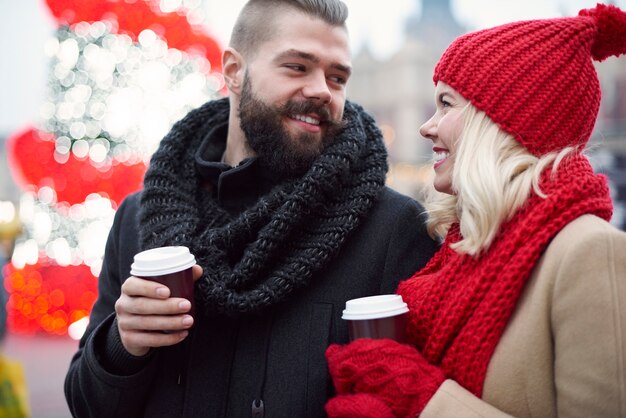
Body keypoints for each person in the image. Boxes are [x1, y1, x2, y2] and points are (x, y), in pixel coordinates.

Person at [63, 0, 439, 416]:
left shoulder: (391, 229)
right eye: (297, 67)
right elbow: (87, 406)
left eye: (337, 77)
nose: (321, 90)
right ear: (233, 71)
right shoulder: (138, 220)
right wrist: (122, 344)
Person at [324, 4, 626, 418]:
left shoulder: (590, 252)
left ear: (504, 119)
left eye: (447, 104)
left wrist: (424, 400)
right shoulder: (460, 246)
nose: (427, 126)